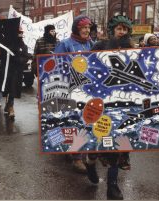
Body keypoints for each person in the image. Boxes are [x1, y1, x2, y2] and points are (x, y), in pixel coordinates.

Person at [84, 15, 134, 200]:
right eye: (119, 28)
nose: (122, 32)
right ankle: (90, 162)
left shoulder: (132, 49)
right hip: (102, 101)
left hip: (123, 102)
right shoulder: (100, 46)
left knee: (116, 146)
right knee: (98, 142)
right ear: (112, 29)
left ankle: (112, 186)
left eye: (125, 29)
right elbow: (89, 70)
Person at [54, 15, 94, 174]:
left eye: (88, 27)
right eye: (83, 27)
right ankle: (77, 157)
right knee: (74, 122)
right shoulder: (65, 44)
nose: (86, 30)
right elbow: (55, 67)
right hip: (70, 90)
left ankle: (80, 152)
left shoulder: (91, 44)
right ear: (77, 28)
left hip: (88, 90)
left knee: (88, 122)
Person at [3, 27, 30, 119]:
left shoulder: (24, 46)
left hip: (17, 71)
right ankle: (9, 106)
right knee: (7, 89)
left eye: (21, 33)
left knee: (13, 89)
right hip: (8, 70)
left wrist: (20, 60)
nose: (21, 34)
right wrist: (14, 58)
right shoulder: (9, 44)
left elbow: (26, 56)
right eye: (19, 32)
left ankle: (10, 106)